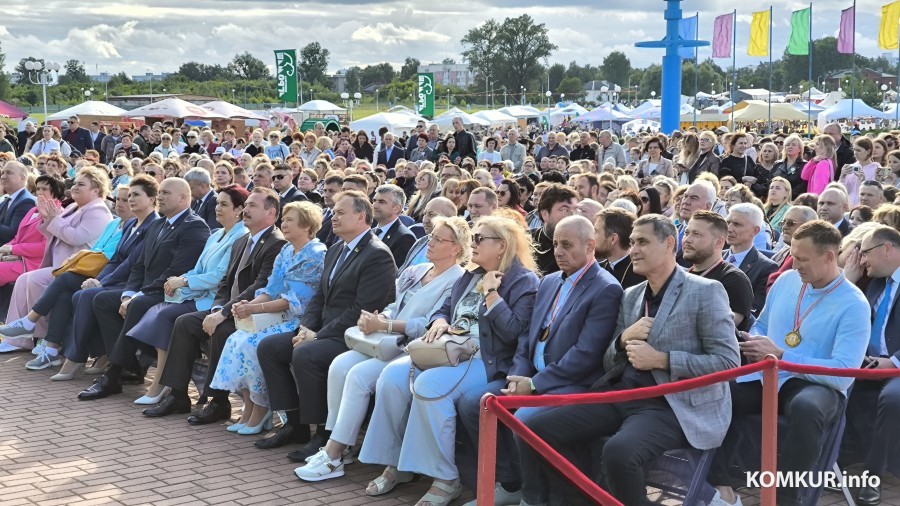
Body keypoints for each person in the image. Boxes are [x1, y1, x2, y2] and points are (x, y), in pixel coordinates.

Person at [518, 214, 739, 506]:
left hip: (673, 405)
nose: (633, 249)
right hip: (623, 395)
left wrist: (663, 360)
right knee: (536, 430)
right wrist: (622, 341)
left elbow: (728, 363)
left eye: (642, 242)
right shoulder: (631, 295)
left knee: (619, 452)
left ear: (669, 244)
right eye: (632, 242)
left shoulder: (705, 290)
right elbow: (610, 362)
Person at [358, 215, 539, 505]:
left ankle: (446, 478)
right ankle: (398, 463)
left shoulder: (522, 280)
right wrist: (440, 321)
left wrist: (492, 293)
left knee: (429, 387)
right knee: (392, 377)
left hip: (484, 358)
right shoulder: (471, 274)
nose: (473, 244)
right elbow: (444, 309)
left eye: (479, 238)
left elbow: (515, 332)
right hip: (447, 348)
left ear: (502, 246)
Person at [457, 215, 623, 504]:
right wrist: (517, 377)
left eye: (567, 245)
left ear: (590, 246)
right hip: (532, 376)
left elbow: (585, 355)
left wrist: (533, 385)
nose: (558, 251)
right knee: (476, 405)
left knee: (524, 419)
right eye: (556, 243)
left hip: (572, 384)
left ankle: (532, 498)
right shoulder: (549, 281)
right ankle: (510, 484)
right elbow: (528, 337)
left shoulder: (605, 288)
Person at [294, 216, 470, 482]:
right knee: (339, 365)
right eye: (431, 236)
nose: (430, 242)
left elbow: (430, 323)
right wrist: (379, 317)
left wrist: (385, 325)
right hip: (383, 341)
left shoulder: (457, 280)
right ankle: (340, 445)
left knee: (358, 375)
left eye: (438, 239)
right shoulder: (419, 270)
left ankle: (333, 455)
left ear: (456, 248)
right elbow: (394, 304)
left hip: (410, 349)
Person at [709, 220, 870, 506]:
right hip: (769, 374)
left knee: (807, 408)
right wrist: (754, 341)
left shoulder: (854, 304)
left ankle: (786, 499)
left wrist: (783, 356)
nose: (794, 264)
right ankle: (721, 486)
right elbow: (763, 324)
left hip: (815, 384)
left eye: (802, 259)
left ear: (829, 257)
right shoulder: (786, 280)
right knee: (717, 393)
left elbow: (843, 374)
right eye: (793, 255)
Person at [253, 191, 396, 451]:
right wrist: (306, 328)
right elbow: (320, 296)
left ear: (361, 217)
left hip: (352, 334)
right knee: (270, 347)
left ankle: (323, 433)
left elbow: (362, 309)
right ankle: (294, 425)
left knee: (307, 354)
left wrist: (318, 335)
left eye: (341, 213)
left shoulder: (377, 254)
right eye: (335, 212)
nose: (334, 217)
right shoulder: (336, 249)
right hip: (323, 330)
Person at [142, 188, 286, 423]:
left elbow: (260, 286)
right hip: (229, 308)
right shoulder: (242, 241)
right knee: (184, 323)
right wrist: (218, 308)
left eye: (252, 206)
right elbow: (225, 282)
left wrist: (224, 313)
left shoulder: (276, 243)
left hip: (252, 312)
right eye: (246, 205)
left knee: (220, 330)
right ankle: (178, 395)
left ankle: (218, 402)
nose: (246, 210)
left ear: (271, 213)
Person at [76, 178, 211, 400]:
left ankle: (113, 375)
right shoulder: (158, 225)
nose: (160, 197)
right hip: (147, 290)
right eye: (160, 192)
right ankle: (131, 365)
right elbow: (139, 266)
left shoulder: (194, 226)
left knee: (137, 305)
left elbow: (177, 270)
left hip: (170, 293)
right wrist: (128, 293)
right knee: (103, 300)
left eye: (166, 193)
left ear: (183, 198)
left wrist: (138, 295)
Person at [208, 201, 327, 434]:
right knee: (236, 339)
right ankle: (249, 407)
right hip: (276, 314)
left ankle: (262, 409)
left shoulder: (315, 254)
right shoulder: (287, 250)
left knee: (253, 343)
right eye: (284, 219)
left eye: (290, 220)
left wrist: (256, 309)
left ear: (307, 225)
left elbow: (297, 301)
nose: (284, 224)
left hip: (299, 319)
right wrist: (248, 305)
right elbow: (271, 288)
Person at [124, 185, 250, 404]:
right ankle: (166, 382)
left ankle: (162, 383)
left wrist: (183, 281)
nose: (217, 208)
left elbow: (219, 276)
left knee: (165, 316)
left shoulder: (240, 236)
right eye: (217, 203)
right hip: (195, 294)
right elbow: (198, 268)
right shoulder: (216, 234)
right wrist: (180, 278)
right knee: (156, 311)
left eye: (224, 204)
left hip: (213, 299)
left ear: (239, 210)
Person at [6, 184, 135, 370]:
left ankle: (30, 322)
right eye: (119, 199)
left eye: (127, 199)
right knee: (63, 294)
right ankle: (51, 350)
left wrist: (54, 219)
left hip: (107, 276)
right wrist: (50, 219)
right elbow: (97, 248)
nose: (121, 204)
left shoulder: (104, 214)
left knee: (62, 279)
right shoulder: (114, 223)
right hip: (88, 269)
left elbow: (102, 251)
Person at [0, 167, 114, 353]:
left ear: (96, 190)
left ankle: (42, 336)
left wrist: (53, 219)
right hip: (61, 265)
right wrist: (47, 219)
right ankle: (17, 340)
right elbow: (54, 234)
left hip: (77, 269)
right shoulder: (73, 207)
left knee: (34, 279)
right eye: (75, 183)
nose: (75, 187)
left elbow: (75, 237)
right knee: (24, 279)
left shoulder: (98, 211)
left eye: (81, 184)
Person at [843, 225, 900, 505]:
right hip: (867, 363)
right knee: (833, 386)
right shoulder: (874, 283)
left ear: (887, 248)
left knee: (893, 398)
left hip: (897, 368)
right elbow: (846, 318)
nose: (862, 260)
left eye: (865, 253)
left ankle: (872, 475)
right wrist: (848, 280)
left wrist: (894, 362)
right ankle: (835, 459)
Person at [683, 211, 755, 332]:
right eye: (686, 233)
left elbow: (722, 328)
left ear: (719, 242)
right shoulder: (681, 275)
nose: (687, 239)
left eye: (697, 234)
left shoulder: (734, 280)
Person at [725, 203, 778, 316]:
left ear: (755, 231)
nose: (729, 229)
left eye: (737, 224)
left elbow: (754, 312)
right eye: (728, 222)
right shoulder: (713, 257)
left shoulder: (766, 268)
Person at [399, 197, 458, 273]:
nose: (425, 220)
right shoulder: (421, 242)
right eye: (424, 214)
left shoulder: (450, 251)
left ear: (448, 219)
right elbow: (402, 272)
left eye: (431, 215)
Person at [531, 183, 578, 275]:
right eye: (564, 210)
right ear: (545, 214)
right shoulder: (524, 241)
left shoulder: (580, 246)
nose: (573, 215)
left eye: (576, 210)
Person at [594, 207, 645, 289]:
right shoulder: (597, 269)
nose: (592, 238)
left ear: (613, 239)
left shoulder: (640, 274)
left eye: (596, 232)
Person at [371, 184, 416, 267]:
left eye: (382, 202)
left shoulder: (405, 237)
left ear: (396, 208)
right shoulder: (371, 232)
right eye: (374, 201)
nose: (374, 205)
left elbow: (398, 271)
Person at [0, 161, 36, 245]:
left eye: (9, 172)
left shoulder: (27, 201)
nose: (3, 176)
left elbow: (12, 235)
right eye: (3, 173)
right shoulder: (7, 200)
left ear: (22, 178)